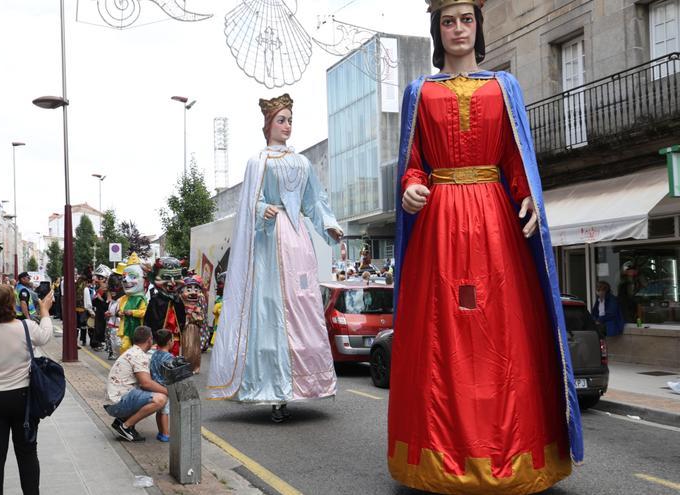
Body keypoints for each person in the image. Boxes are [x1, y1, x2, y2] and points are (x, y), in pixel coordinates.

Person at [388, 1, 582, 493]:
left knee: (505, 332)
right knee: (442, 334)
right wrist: (412, 186)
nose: (458, 30)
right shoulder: (419, 92)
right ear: (438, 29)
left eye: (466, 20)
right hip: (439, 222)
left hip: (497, 225)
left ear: (478, 26)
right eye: (448, 21)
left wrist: (529, 197)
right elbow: (413, 161)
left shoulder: (504, 87)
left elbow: (518, 160)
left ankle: (509, 452)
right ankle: (442, 457)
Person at [206, 93, 343, 424]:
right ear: (268, 125)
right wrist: (260, 209)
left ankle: (306, 382)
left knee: (303, 303)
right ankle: (273, 384)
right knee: (271, 309)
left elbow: (315, 200)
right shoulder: (258, 162)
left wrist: (329, 224)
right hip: (271, 241)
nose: (287, 126)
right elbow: (248, 205)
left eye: (290, 120)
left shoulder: (302, 162)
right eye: (281, 120)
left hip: (298, 241)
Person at [0, 284, 54, 494]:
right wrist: (44, 312)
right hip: (23, 399)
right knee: (27, 453)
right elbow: (45, 336)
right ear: (11, 303)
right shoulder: (25, 327)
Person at [104, 326, 168, 442]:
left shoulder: (133, 351)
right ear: (149, 340)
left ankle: (122, 420)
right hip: (118, 402)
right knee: (160, 399)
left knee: (151, 394)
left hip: (114, 400)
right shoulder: (139, 356)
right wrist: (168, 392)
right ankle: (125, 426)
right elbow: (146, 383)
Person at [144, 257, 186, 356]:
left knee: (173, 362)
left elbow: (181, 319)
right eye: (166, 278)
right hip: (159, 342)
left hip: (174, 340)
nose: (173, 283)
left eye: (176, 277)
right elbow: (149, 322)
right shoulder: (155, 301)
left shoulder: (178, 301)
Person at [117, 254, 148, 355]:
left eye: (133, 276)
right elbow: (118, 311)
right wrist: (119, 313)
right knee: (124, 348)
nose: (125, 280)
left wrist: (132, 312)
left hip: (138, 330)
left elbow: (144, 312)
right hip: (125, 329)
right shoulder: (123, 298)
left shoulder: (141, 299)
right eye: (124, 277)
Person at [149, 329, 174, 442]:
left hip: (154, 385)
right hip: (164, 387)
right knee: (165, 411)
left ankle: (160, 431)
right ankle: (165, 433)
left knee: (160, 411)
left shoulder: (154, 354)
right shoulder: (169, 357)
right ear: (169, 342)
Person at [105, 272, 124, 360]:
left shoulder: (123, 300)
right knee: (114, 343)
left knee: (119, 344)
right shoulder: (113, 301)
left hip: (120, 326)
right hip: (113, 325)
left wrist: (114, 313)